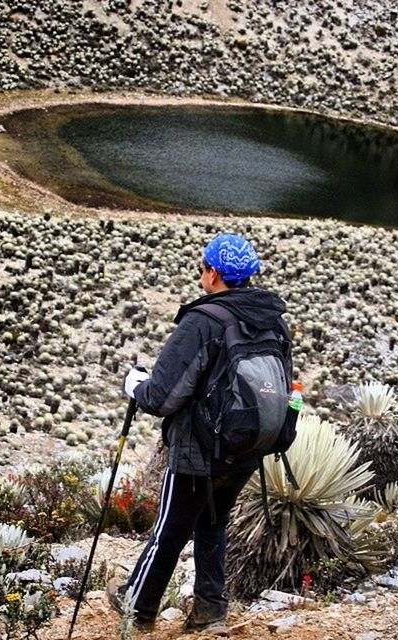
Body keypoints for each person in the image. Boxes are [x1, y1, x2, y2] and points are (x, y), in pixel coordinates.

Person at [107, 233, 292, 633]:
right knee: (212, 523)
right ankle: (210, 610)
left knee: (170, 530)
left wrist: (133, 385)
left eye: (203, 267)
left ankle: (137, 608)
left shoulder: (203, 321)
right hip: (247, 446)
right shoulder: (272, 320)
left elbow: (161, 397)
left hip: (199, 449)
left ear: (212, 273)